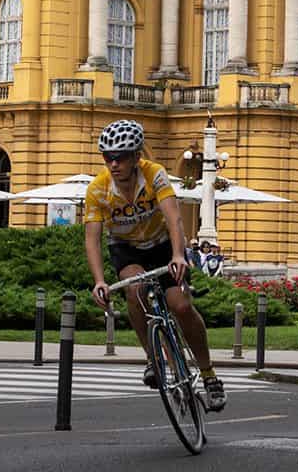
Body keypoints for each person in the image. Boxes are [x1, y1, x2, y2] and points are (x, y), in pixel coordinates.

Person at [84, 120, 226, 411]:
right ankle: (152, 357)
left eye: (120, 156)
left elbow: (174, 218)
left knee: (182, 306)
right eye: (107, 157)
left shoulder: (155, 175)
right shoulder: (98, 189)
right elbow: (92, 240)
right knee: (135, 289)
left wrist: (178, 255)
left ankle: (210, 376)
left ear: (136, 156)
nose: (113, 163)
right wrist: (99, 281)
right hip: (126, 249)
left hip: (162, 246)